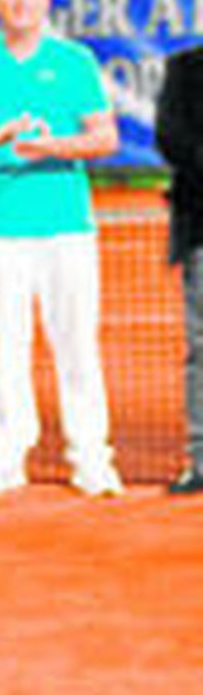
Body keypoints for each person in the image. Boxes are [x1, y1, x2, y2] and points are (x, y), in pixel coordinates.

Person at [0, 0, 123, 497]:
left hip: (67, 226)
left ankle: (91, 457)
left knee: (76, 343)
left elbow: (105, 138)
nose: (21, 1)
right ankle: (6, 455)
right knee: (4, 344)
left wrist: (51, 147)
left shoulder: (75, 61)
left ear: (46, 0)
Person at [155, 41, 203, 494]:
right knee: (202, 347)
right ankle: (201, 459)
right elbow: (170, 138)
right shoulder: (184, 69)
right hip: (201, 225)